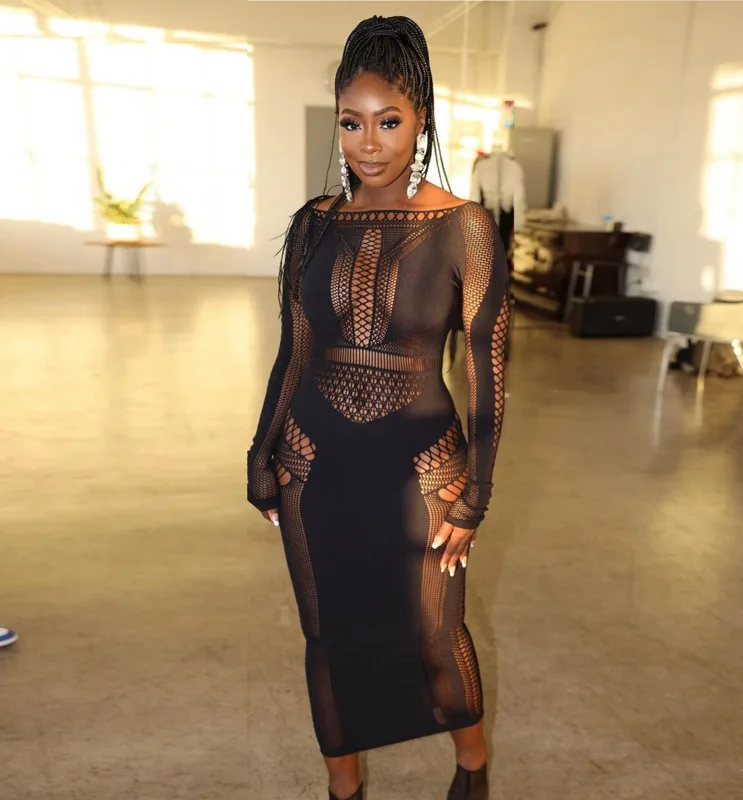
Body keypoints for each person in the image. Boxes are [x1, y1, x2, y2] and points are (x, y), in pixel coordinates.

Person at [247, 16, 509, 800]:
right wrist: (260, 455)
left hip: (424, 473)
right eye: (351, 122)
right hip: (312, 464)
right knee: (327, 635)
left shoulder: (466, 227)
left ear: (421, 117)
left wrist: (475, 494)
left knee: (435, 634)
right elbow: (295, 351)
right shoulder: (312, 225)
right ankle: (344, 789)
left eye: (388, 122)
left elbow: (488, 375)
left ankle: (472, 768)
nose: (369, 143)